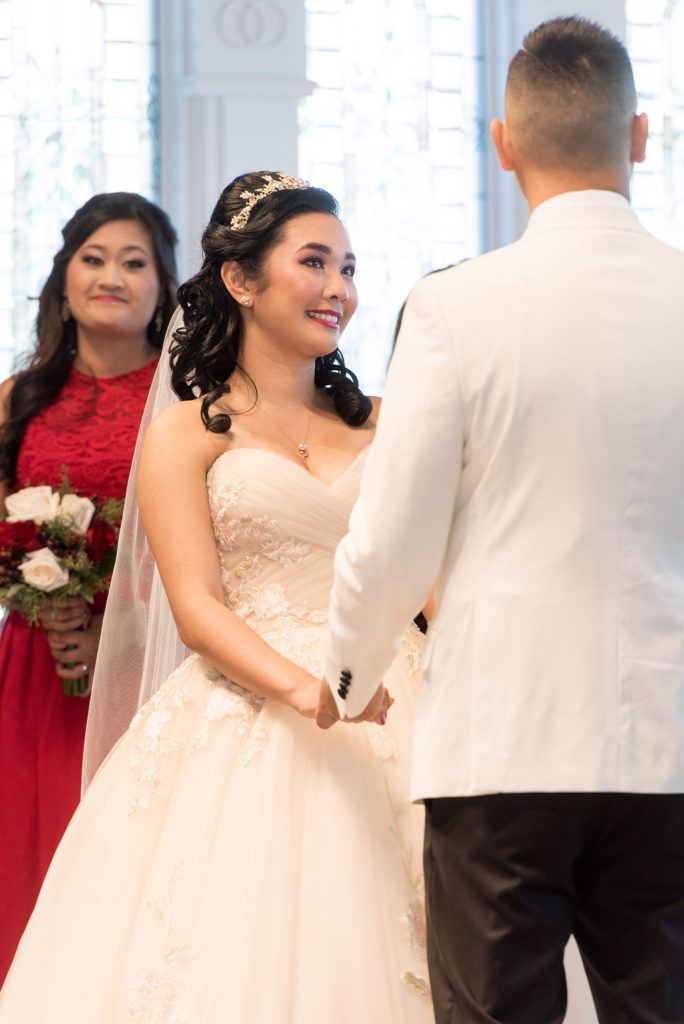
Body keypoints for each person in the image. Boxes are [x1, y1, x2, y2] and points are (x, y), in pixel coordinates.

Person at [0, 171, 433, 1023]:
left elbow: (433, 584)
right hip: (255, 703)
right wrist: (313, 689)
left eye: (349, 268)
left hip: (405, 698)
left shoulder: (389, 420)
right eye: (314, 263)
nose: (339, 289)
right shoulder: (184, 434)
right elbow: (197, 610)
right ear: (240, 279)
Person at [319, 16, 684, 1024]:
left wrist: (347, 668)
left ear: (504, 142)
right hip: (671, 740)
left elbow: (394, 533)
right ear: (641, 135)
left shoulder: (452, 308)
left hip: (502, 739)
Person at [0, 192, 178, 985]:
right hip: (39, 666)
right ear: (64, 279)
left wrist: (123, 621)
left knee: (134, 854)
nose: (112, 276)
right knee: (31, 851)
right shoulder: (19, 399)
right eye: (95, 258)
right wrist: (32, 594)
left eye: (135, 262)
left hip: (152, 666)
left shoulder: (186, 407)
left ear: (163, 289)